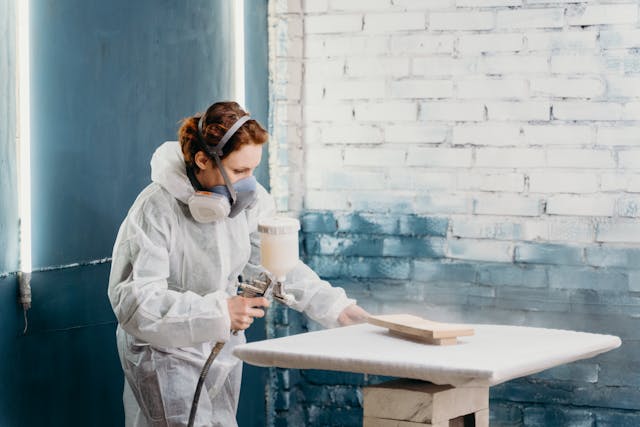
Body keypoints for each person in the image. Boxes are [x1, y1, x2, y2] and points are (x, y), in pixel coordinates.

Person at [108, 101, 369, 427]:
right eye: (239, 171)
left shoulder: (249, 202)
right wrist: (220, 312)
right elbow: (135, 302)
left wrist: (336, 307)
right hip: (164, 353)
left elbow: (277, 265)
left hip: (220, 346)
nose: (248, 183)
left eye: (252, 170)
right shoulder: (156, 209)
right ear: (203, 159)